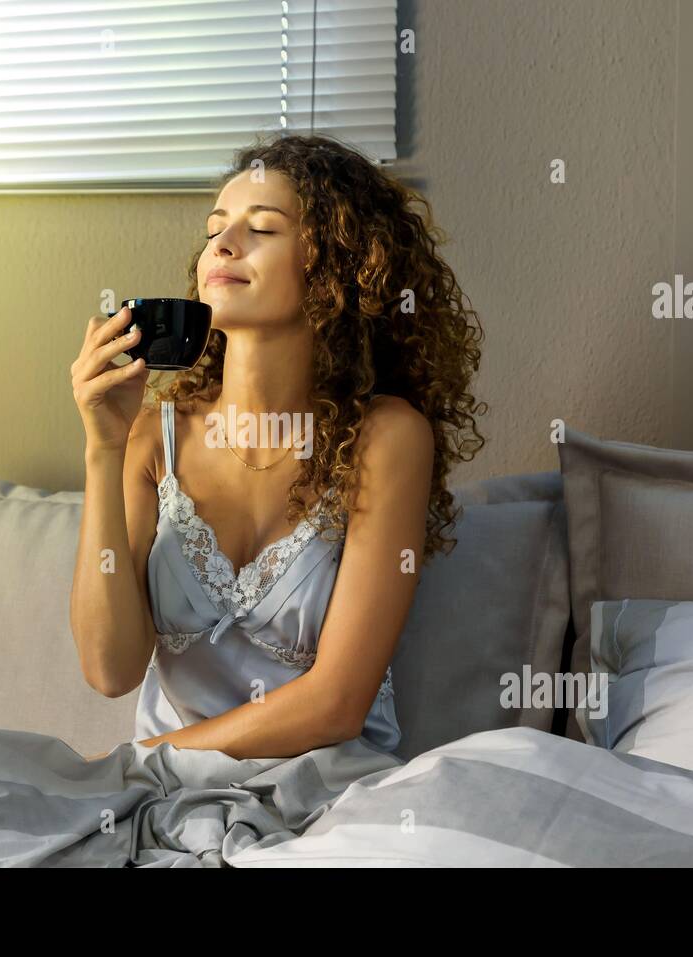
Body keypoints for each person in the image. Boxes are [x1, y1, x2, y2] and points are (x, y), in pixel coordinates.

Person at [70, 131, 488, 763]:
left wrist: (148, 762)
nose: (223, 244)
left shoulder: (387, 439)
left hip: (321, 794)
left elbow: (337, 704)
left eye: (261, 230)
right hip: (160, 792)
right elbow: (109, 670)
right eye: (217, 229)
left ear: (338, 266)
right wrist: (102, 449)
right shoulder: (154, 437)